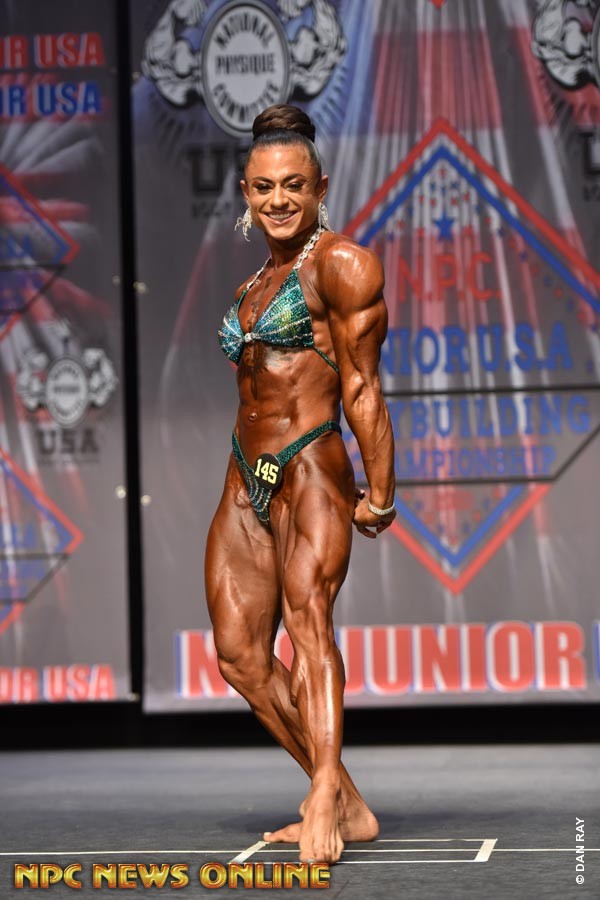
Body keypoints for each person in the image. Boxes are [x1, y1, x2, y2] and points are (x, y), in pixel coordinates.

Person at [205, 104, 396, 865]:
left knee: (307, 621)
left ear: (320, 186)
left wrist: (380, 491)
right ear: (245, 193)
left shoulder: (341, 265)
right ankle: (347, 800)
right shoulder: (257, 281)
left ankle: (322, 795)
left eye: (292, 185)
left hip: (311, 462)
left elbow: (363, 384)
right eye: (263, 187)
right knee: (240, 657)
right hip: (242, 472)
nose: (277, 199)